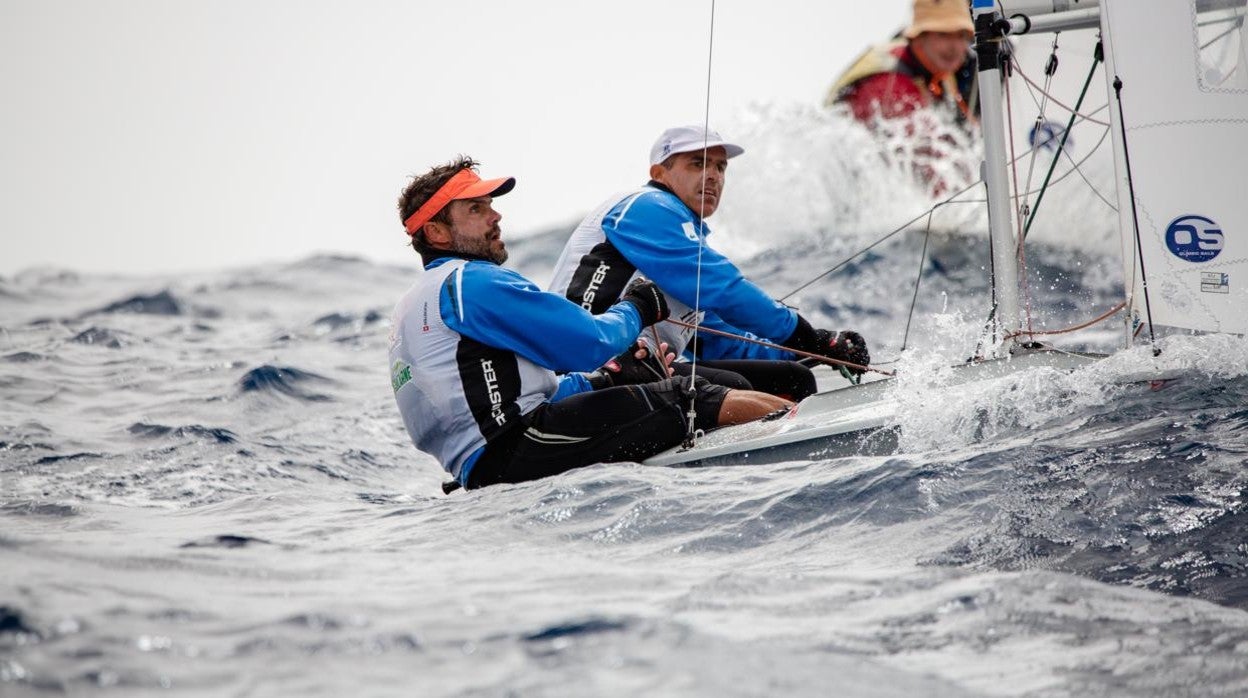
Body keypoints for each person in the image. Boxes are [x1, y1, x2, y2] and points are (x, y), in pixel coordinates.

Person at [389, 156, 791, 491]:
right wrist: (637, 307)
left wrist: (606, 379)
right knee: (693, 396)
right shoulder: (471, 283)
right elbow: (591, 342)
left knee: (724, 388)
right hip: (518, 449)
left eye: (491, 204)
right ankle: (808, 443)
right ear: (436, 232)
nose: (496, 215)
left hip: (485, 463)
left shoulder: (414, 302)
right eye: (476, 209)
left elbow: (514, 389)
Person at [547, 125, 871, 402]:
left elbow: (720, 341)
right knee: (757, 386)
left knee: (790, 376)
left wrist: (815, 347)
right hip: (589, 372)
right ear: (659, 173)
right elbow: (725, 290)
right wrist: (808, 336)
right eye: (697, 164)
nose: (713, 176)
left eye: (720, 167)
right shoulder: (645, 207)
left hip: (643, 365)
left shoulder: (681, 239)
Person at [826, 0, 977, 126]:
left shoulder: (939, 72)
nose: (955, 47)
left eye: (962, 35)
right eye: (943, 35)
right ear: (918, 37)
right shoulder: (893, 85)